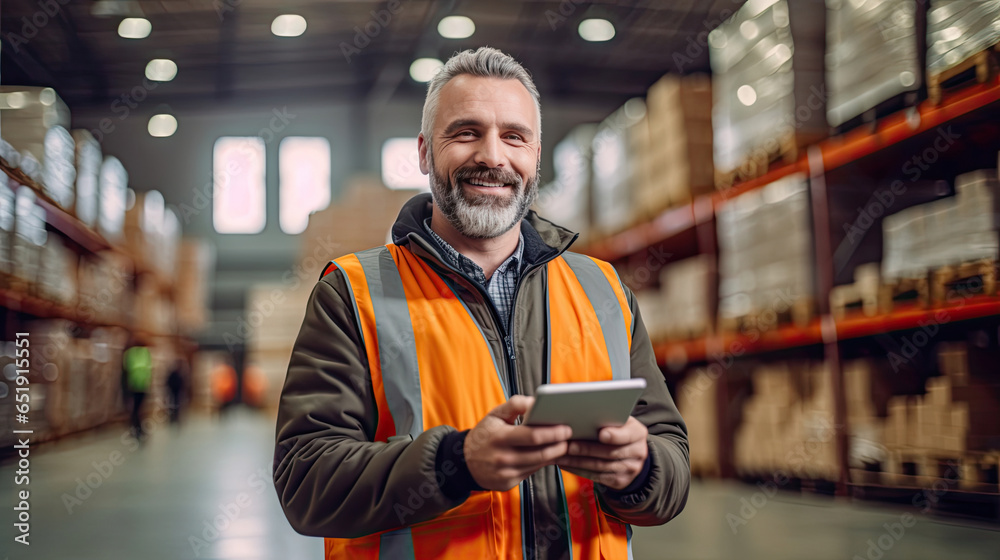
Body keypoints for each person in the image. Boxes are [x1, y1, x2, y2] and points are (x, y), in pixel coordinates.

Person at [273, 47, 689, 559]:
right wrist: (454, 463)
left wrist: (641, 468)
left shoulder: (603, 291)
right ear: (425, 153)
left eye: (514, 136)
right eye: (466, 132)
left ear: (536, 156)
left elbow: (671, 457)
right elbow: (306, 481)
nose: (493, 156)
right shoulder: (353, 293)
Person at [123, 336, 153, 440]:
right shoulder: (145, 353)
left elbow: (126, 369)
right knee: (138, 409)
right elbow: (149, 370)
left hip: (133, 386)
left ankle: (137, 429)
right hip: (141, 386)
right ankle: (138, 429)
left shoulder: (130, 353)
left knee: (135, 409)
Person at [166, 358, 186, 425]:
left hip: (176, 392)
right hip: (173, 392)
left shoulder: (179, 373)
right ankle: (172, 418)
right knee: (173, 405)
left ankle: (175, 417)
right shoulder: (175, 373)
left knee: (176, 405)